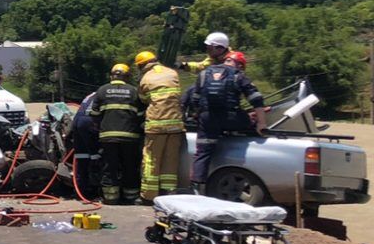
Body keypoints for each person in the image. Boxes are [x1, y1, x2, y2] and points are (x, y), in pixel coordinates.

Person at [189, 55, 267, 195]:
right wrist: (260, 123)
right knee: (250, 122)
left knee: (202, 153)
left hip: (207, 118)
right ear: (240, 65)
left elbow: (195, 99)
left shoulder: (203, 74)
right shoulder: (238, 75)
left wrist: (199, 115)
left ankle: (196, 190)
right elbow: (256, 100)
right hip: (231, 118)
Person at [89, 64, 144, 205]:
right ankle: (131, 197)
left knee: (109, 167)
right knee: (130, 167)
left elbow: (94, 114)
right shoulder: (133, 91)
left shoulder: (102, 91)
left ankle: (110, 198)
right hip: (130, 137)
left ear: (111, 75)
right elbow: (140, 115)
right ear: (127, 76)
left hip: (108, 137)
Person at [135, 51, 185, 202]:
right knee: (171, 159)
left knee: (151, 160)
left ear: (142, 65)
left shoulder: (146, 78)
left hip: (156, 126)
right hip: (176, 125)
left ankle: (148, 196)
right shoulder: (172, 73)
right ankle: (168, 192)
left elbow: (143, 99)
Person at [69, 92, 100, 198]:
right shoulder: (105, 93)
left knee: (81, 157)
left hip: (77, 121)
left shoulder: (92, 94)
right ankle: (95, 189)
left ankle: (80, 191)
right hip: (89, 121)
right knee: (95, 156)